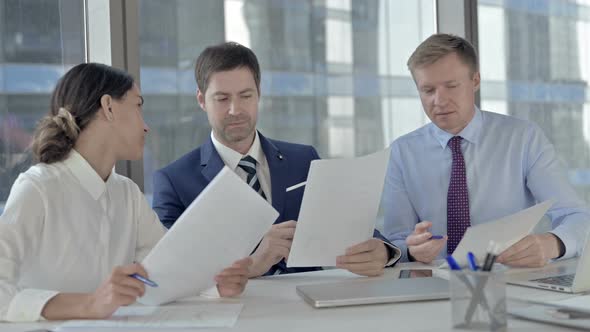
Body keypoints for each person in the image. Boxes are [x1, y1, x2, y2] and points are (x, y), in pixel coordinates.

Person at [0, 63, 251, 322]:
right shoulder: (38, 187)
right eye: (138, 106)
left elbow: (166, 270)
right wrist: (90, 304)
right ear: (108, 107)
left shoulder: (127, 193)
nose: (146, 126)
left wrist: (216, 285)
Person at [153, 42, 400, 278]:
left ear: (259, 93)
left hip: (308, 309)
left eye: (245, 95)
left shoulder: (304, 160)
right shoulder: (174, 181)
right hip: (232, 313)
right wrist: (254, 264)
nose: (235, 109)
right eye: (222, 98)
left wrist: (383, 251)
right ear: (201, 100)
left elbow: (350, 224)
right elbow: (169, 271)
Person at [382, 34, 590, 267]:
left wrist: (552, 243)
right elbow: (394, 244)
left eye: (451, 86)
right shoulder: (402, 153)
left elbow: (577, 216)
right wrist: (411, 250)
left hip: (509, 283)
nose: (439, 101)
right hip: (432, 287)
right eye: (428, 90)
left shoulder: (523, 139)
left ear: (476, 80)